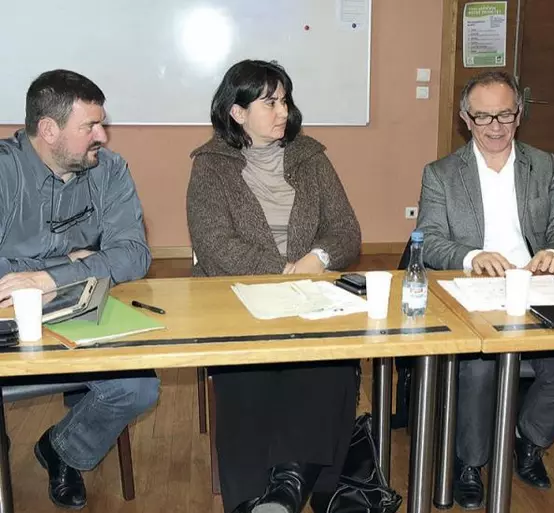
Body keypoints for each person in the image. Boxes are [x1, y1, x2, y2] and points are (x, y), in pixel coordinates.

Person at [186, 59, 361, 513]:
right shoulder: (210, 166)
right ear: (237, 112)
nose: (282, 111)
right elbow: (215, 246)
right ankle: (248, 498)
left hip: (309, 290)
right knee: (248, 373)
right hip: (236, 295)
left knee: (331, 364)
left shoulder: (311, 158)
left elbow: (346, 231)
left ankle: (289, 484)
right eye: (270, 102)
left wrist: (316, 259)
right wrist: (284, 271)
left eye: (284, 100)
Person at [415, 71, 554, 506]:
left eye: (505, 115)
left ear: (520, 114)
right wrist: (473, 257)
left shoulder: (543, 164)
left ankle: (525, 440)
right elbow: (430, 239)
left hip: (535, 288)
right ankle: (470, 462)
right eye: (483, 117)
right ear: (465, 119)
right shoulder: (441, 174)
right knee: (477, 369)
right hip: (474, 294)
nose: (495, 126)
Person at [0, 69, 160, 509]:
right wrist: (67, 264)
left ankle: (61, 450)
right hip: (9, 319)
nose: (103, 136)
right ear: (48, 130)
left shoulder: (109, 170)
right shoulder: (4, 171)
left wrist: (50, 278)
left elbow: (133, 255)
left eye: (101, 123)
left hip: (81, 305)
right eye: (90, 125)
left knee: (138, 388)